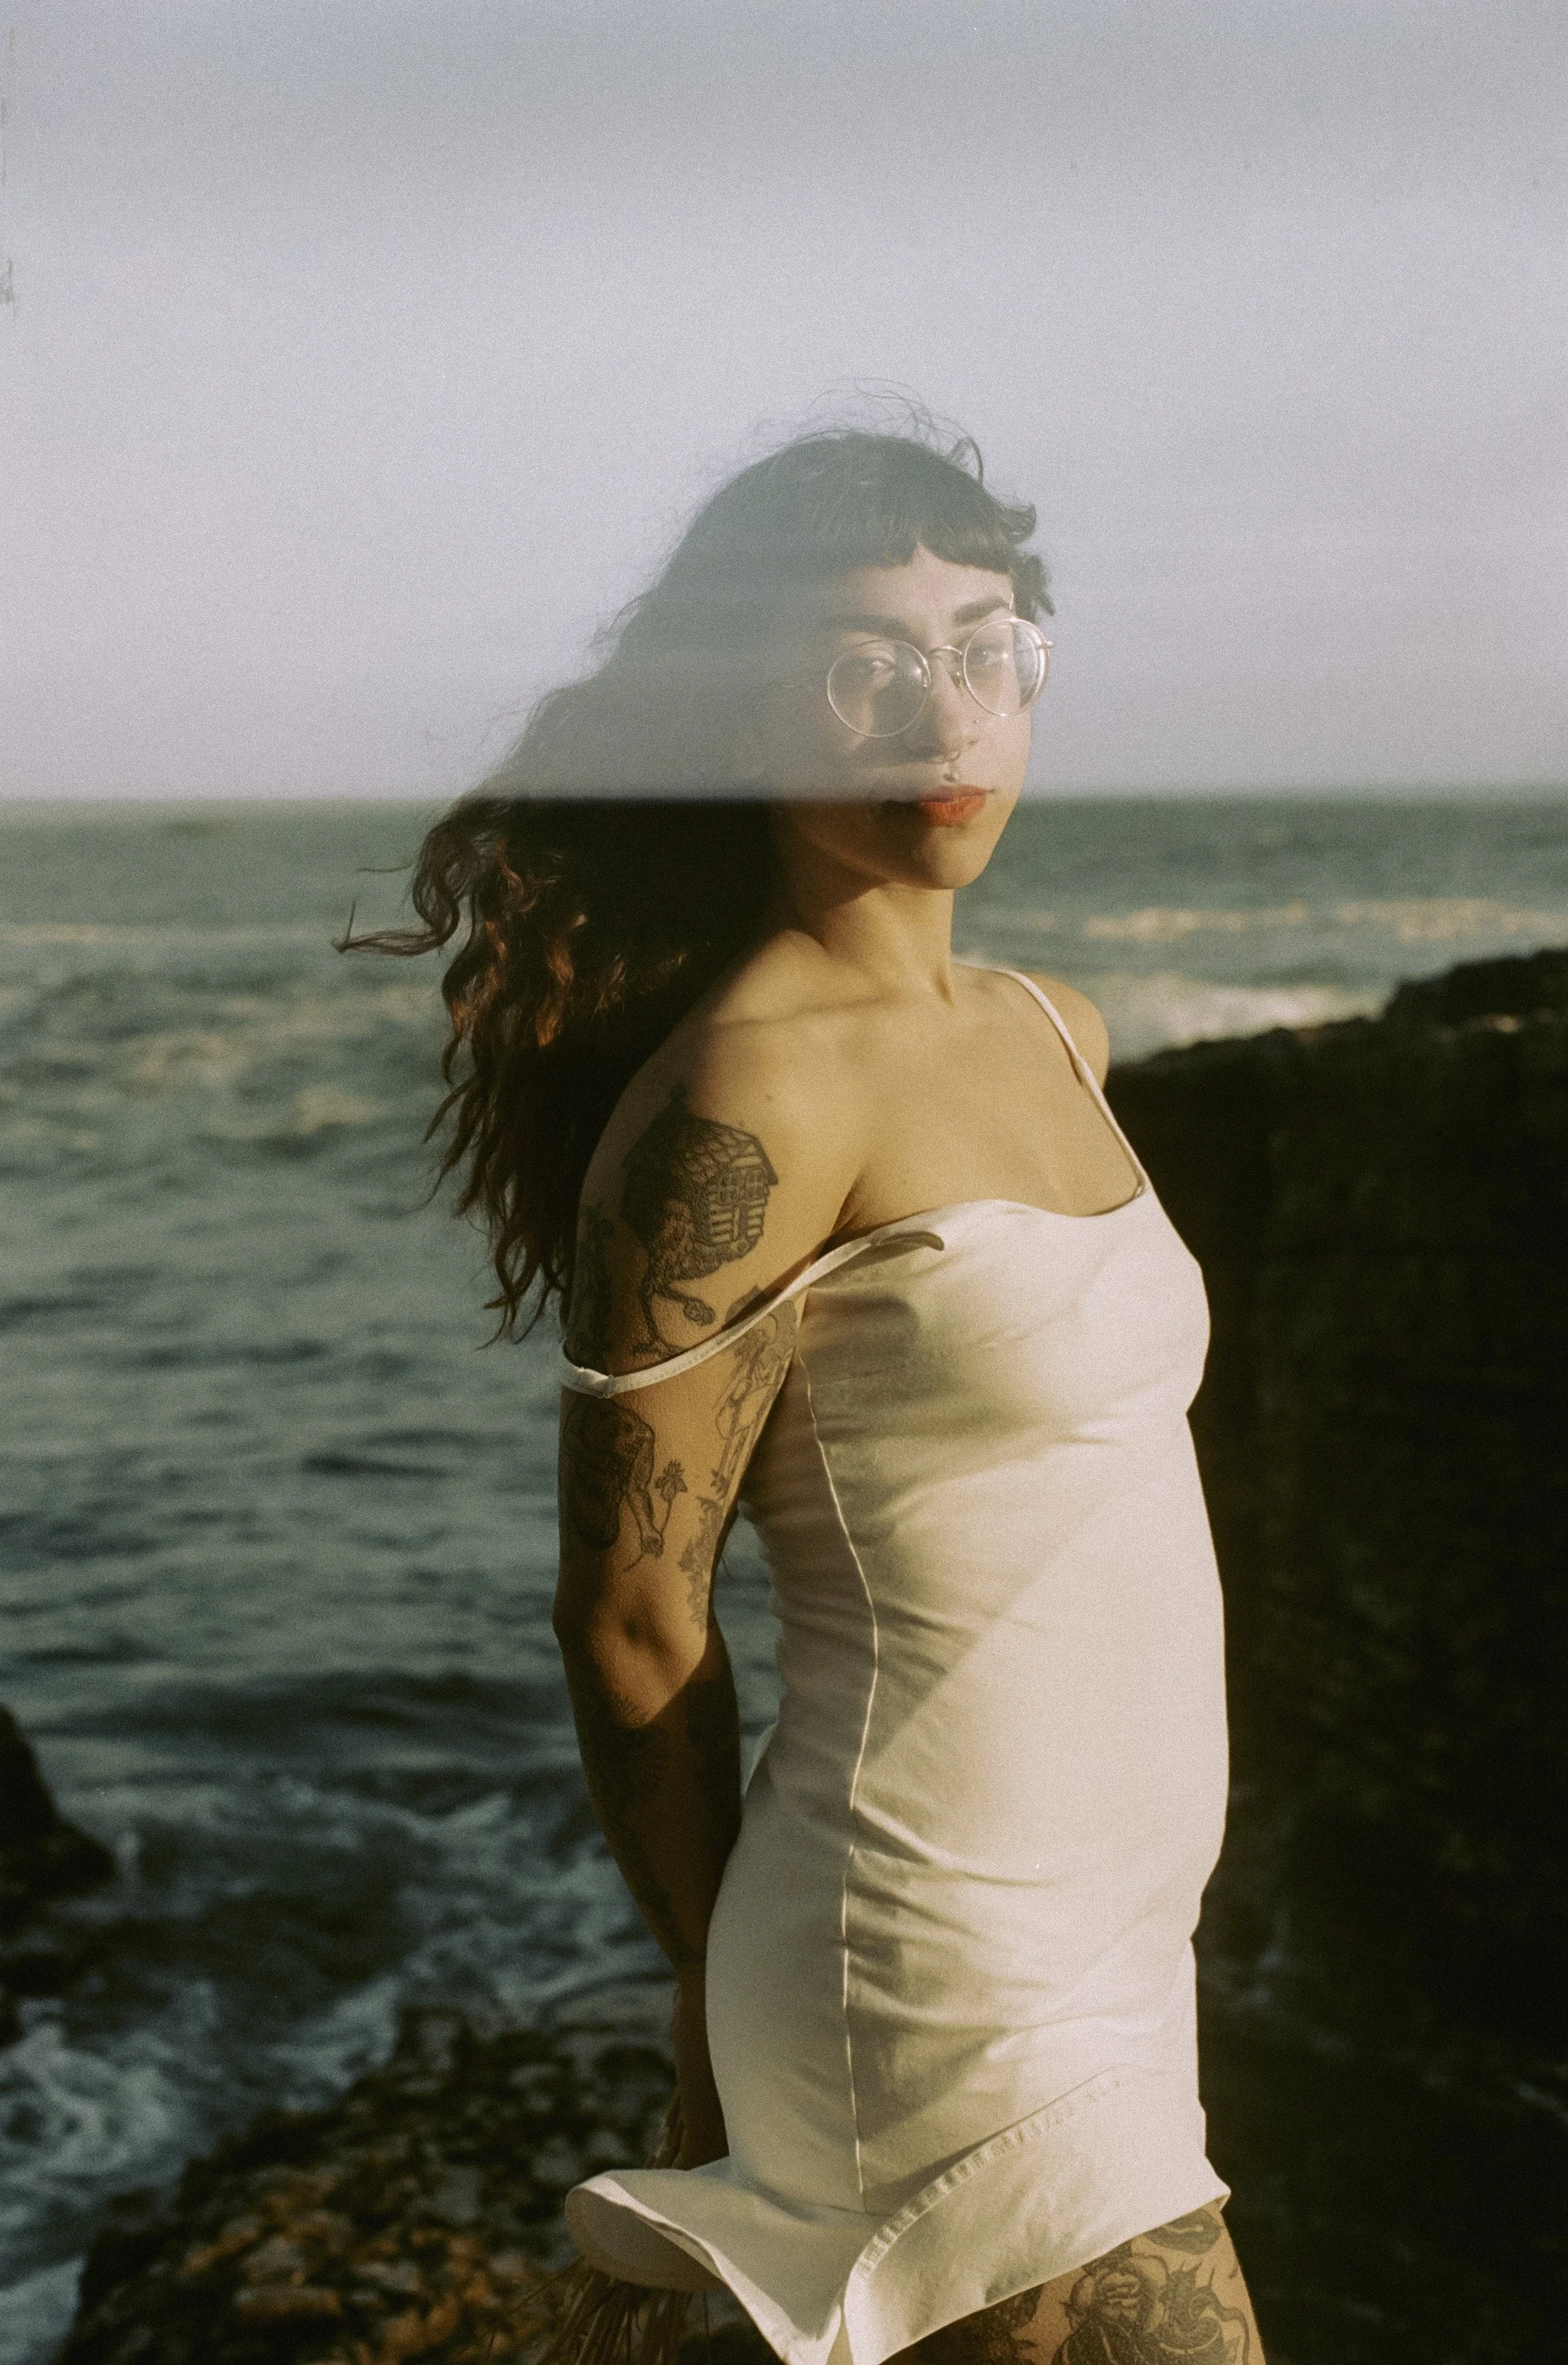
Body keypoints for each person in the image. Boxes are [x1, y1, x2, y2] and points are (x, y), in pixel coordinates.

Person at [362, 425, 1263, 2365]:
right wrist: (709, 1998)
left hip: (1114, 1948)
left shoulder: (1047, 1026)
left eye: (982, 643)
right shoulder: (745, 1091)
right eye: (863, 665)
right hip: (937, 1964)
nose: (937, 711)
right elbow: (628, 1609)